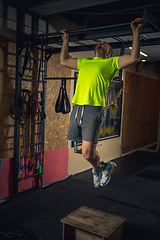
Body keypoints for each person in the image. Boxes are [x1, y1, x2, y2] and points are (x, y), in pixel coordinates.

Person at [60, 18, 143, 188]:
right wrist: (65, 42)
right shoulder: (85, 63)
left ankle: (98, 169)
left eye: (105, 44)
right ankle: (104, 166)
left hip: (93, 109)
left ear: (107, 53)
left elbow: (134, 57)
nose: (101, 42)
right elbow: (63, 61)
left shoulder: (110, 63)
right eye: (101, 42)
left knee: (86, 153)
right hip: (78, 109)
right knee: (81, 150)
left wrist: (136, 32)